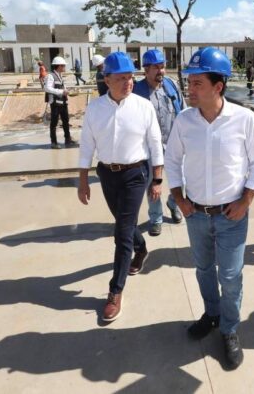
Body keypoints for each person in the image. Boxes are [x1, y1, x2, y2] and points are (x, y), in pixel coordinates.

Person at [165, 47, 254, 369]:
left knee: (232, 276)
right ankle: (211, 314)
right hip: (196, 214)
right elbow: (172, 161)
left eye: (197, 84)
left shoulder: (244, 119)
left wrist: (246, 200)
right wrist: (179, 199)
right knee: (204, 270)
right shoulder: (184, 121)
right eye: (189, 83)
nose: (189, 89)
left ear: (217, 86)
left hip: (231, 215)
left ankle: (230, 329)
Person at [78, 52, 164, 323]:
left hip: (135, 174)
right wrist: (82, 179)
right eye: (121, 78)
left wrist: (158, 179)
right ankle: (141, 248)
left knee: (121, 233)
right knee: (122, 224)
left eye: (130, 77)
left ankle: (115, 291)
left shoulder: (142, 106)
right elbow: (86, 145)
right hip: (106, 174)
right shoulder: (95, 108)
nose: (128, 83)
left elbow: (155, 142)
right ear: (107, 80)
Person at [132, 49, 186, 236]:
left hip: (174, 144)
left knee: (183, 182)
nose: (161, 71)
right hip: (149, 148)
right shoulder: (136, 91)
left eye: (162, 67)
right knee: (152, 184)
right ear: (146, 70)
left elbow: (183, 110)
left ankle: (173, 203)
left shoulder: (171, 85)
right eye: (156, 67)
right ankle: (156, 218)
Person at [44, 56, 75, 149]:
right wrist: (61, 92)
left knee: (66, 120)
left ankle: (68, 138)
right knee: (54, 122)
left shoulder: (60, 75)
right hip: (55, 103)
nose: (64, 67)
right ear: (59, 66)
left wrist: (67, 91)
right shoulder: (50, 76)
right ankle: (54, 142)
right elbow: (47, 88)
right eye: (63, 65)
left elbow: (61, 87)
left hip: (63, 101)